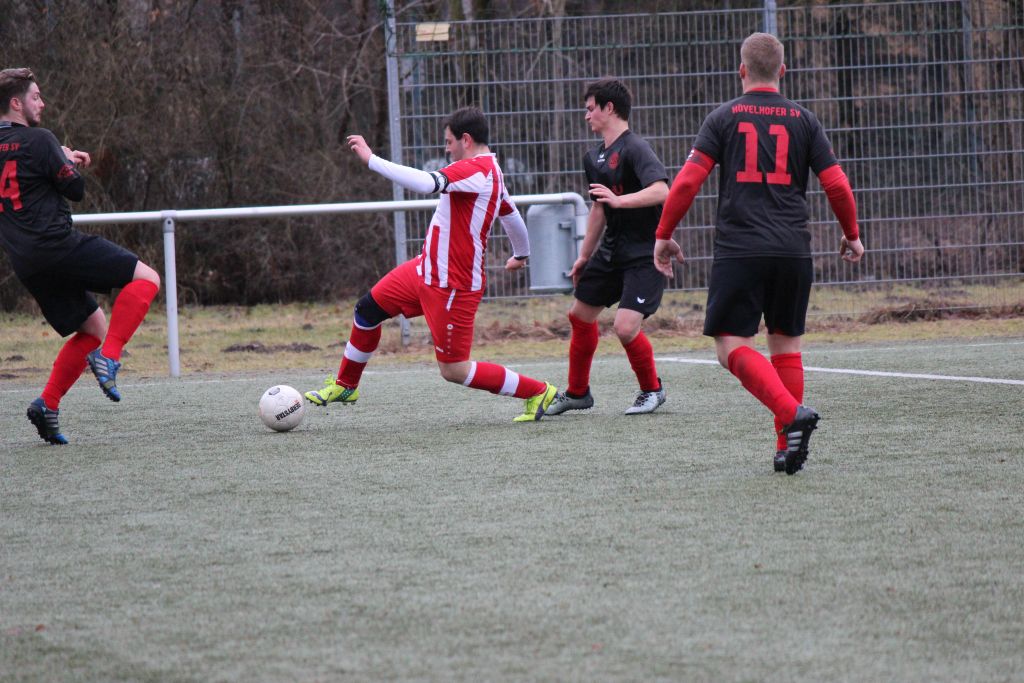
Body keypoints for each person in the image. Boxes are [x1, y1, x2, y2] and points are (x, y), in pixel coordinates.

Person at [653, 33, 864, 474]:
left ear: (742, 70)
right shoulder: (805, 120)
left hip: (741, 249)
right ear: (782, 71)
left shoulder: (723, 118)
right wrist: (852, 234)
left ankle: (791, 416)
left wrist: (664, 235)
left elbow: (687, 182)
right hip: (793, 250)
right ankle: (787, 447)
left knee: (730, 347)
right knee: (785, 346)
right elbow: (836, 184)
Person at [304, 106, 557, 422]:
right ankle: (346, 385)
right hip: (424, 270)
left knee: (454, 369)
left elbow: (426, 183)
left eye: (449, 142)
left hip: (453, 285)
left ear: (466, 140)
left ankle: (538, 391)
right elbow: (511, 214)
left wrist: (371, 159)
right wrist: (521, 253)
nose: (446, 148)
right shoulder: (489, 171)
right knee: (367, 311)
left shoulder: (476, 169)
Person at [0, 68, 161, 445]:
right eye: (36, 96)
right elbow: (75, 189)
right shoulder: (41, 139)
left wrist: (57, 158)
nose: (41, 103)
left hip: (26, 261)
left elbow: (25, 175)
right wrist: (64, 160)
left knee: (92, 328)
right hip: (57, 245)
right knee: (147, 279)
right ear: (16, 103)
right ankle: (110, 357)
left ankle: (47, 404)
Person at [545, 78, 670, 417]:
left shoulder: (635, 148)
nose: (587, 116)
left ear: (609, 108)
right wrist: (584, 256)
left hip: (644, 253)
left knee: (625, 328)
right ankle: (578, 393)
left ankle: (652, 390)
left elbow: (662, 191)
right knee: (579, 315)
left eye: (590, 109)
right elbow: (599, 208)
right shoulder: (594, 157)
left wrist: (620, 200)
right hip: (611, 252)